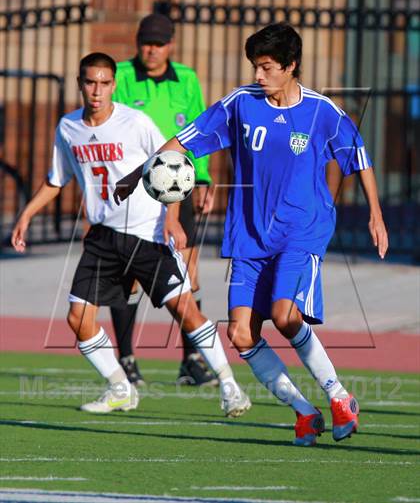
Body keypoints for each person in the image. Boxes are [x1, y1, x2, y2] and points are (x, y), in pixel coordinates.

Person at [114, 23, 389, 446]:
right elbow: (183, 143)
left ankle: (339, 397)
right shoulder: (240, 104)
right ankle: (304, 412)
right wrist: (137, 175)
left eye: (266, 67)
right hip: (248, 238)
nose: (258, 76)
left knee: (284, 316)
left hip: (301, 231)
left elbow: (359, 156)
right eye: (255, 67)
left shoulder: (321, 111)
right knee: (240, 334)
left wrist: (376, 213)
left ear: (291, 66)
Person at [11, 52, 251, 417]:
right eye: (90, 82)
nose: (97, 90)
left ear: (113, 85)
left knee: (185, 310)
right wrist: (26, 216)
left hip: (147, 234)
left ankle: (231, 387)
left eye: (104, 83)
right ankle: (120, 387)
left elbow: (171, 166)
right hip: (103, 238)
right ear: (80, 84)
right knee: (78, 319)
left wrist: (172, 219)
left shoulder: (135, 122)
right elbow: (56, 180)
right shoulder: (68, 127)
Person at [111, 13, 216, 387]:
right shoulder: (120, 75)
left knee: (188, 272)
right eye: (145, 42)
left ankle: (191, 359)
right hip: (134, 189)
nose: (151, 50)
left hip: (176, 187)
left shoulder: (186, 79)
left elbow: (200, 130)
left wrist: (202, 179)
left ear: (170, 45)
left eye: (158, 43)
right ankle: (125, 358)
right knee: (130, 276)